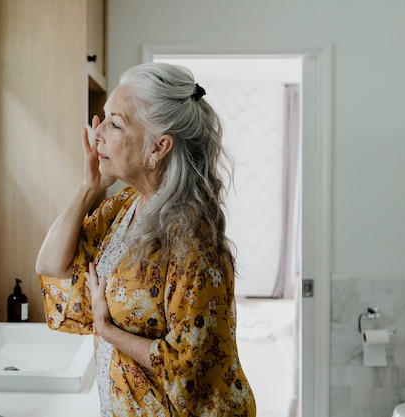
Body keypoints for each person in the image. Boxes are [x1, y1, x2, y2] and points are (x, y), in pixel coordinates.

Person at [35, 62, 256, 417]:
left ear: (158, 148)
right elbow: (50, 266)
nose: (97, 134)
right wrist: (88, 188)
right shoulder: (123, 207)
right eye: (102, 118)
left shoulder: (191, 239)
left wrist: (107, 330)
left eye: (115, 123)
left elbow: (189, 368)